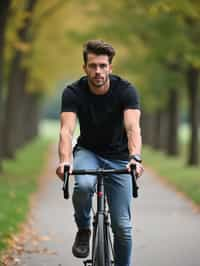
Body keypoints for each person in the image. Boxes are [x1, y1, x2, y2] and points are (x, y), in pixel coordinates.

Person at [56, 40, 144, 266]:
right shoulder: (73, 92)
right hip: (88, 151)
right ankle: (84, 228)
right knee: (83, 185)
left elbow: (133, 127)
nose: (98, 71)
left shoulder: (126, 90)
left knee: (123, 228)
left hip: (119, 157)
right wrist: (65, 161)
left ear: (110, 68)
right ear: (84, 67)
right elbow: (66, 130)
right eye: (93, 66)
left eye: (103, 66)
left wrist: (135, 158)